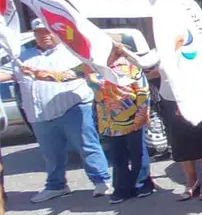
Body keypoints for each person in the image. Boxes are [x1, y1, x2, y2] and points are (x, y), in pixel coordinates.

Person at [0, 19, 111, 202]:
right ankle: (56, 186)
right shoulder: (23, 56)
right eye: (39, 33)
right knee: (50, 154)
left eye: (48, 31)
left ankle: (102, 181)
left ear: (57, 32)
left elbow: (83, 72)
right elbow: (7, 73)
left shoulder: (72, 53)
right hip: (39, 114)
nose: (45, 36)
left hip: (72, 108)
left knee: (87, 146)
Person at [91, 39, 152, 204]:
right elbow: (67, 75)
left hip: (132, 119)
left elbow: (143, 92)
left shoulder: (130, 66)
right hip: (108, 122)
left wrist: (141, 116)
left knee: (137, 153)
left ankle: (142, 184)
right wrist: (34, 72)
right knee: (118, 157)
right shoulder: (93, 66)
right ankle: (122, 188)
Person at [153, 66, 202, 201]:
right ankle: (192, 180)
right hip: (170, 99)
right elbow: (147, 69)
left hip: (197, 97)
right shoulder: (160, 51)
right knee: (179, 142)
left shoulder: (193, 46)